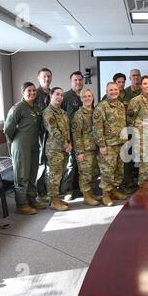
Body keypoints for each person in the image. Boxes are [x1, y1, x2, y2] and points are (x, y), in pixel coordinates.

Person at [3, 82, 45, 215]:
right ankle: (21, 204)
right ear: (23, 92)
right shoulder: (18, 108)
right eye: (29, 90)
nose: (32, 93)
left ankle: (32, 199)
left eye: (34, 90)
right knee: (22, 175)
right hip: (21, 145)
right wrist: (15, 141)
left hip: (34, 145)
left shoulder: (37, 109)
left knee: (33, 173)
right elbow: (8, 129)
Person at [93, 82, 127, 207]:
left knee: (118, 170)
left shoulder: (121, 106)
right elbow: (97, 129)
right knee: (107, 171)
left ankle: (113, 191)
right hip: (108, 145)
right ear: (106, 92)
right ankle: (105, 195)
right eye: (111, 90)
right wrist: (102, 145)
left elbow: (123, 124)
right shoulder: (101, 107)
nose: (113, 92)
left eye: (115, 89)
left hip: (120, 144)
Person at [127, 75, 148, 187]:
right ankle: (142, 188)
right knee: (145, 164)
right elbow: (130, 120)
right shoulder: (136, 101)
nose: (147, 86)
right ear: (140, 85)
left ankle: (146, 188)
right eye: (145, 83)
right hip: (141, 138)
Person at [43, 87, 71, 211]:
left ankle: (56, 198)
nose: (59, 97)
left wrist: (68, 143)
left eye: (61, 95)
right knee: (54, 175)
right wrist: (66, 144)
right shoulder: (48, 112)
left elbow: (66, 131)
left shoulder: (62, 112)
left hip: (64, 149)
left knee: (60, 175)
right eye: (57, 94)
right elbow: (54, 131)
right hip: (54, 149)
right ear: (51, 95)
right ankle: (54, 201)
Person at [71, 89, 100, 206]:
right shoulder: (78, 115)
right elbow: (76, 135)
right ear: (81, 99)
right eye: (84, 97)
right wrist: (79, 152)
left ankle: (91, 193)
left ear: (92, 97)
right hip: (85, 150)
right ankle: (86, 196)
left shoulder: (95, 112)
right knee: (85, 174)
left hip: (95, 148)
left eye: (89, 96)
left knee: (94, 173)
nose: (87, 98)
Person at [60, 71, 84, 200]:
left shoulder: (86, 95)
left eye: (80, 80)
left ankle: (83, 189)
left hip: (84, 137)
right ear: (71, 81)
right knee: (70, 164)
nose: (78, 82)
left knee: (83, 164)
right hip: (70, 137)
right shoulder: (65, 96)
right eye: (75, 80)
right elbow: (61, 118)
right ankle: (67, 191)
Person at [122, 69, 142, 193]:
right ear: (130, 78)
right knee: (127, 158)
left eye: (137, 75)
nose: (135, 77)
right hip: (128, 131)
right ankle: (128, 183)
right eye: (133, 75)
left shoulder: (145, 91)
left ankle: (141, 183)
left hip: (141, 131)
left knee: (142, 157)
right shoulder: (125, 93)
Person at [34, 68, 52, 201]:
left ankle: (48, 190)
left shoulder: (53, 93)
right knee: (41, 163)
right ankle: (40, 192)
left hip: (51, 135)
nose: (47, 79)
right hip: (39, 135)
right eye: (44, 77)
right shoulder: (34, 94)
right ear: (39, 78)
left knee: (51, 164)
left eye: (49, 76)